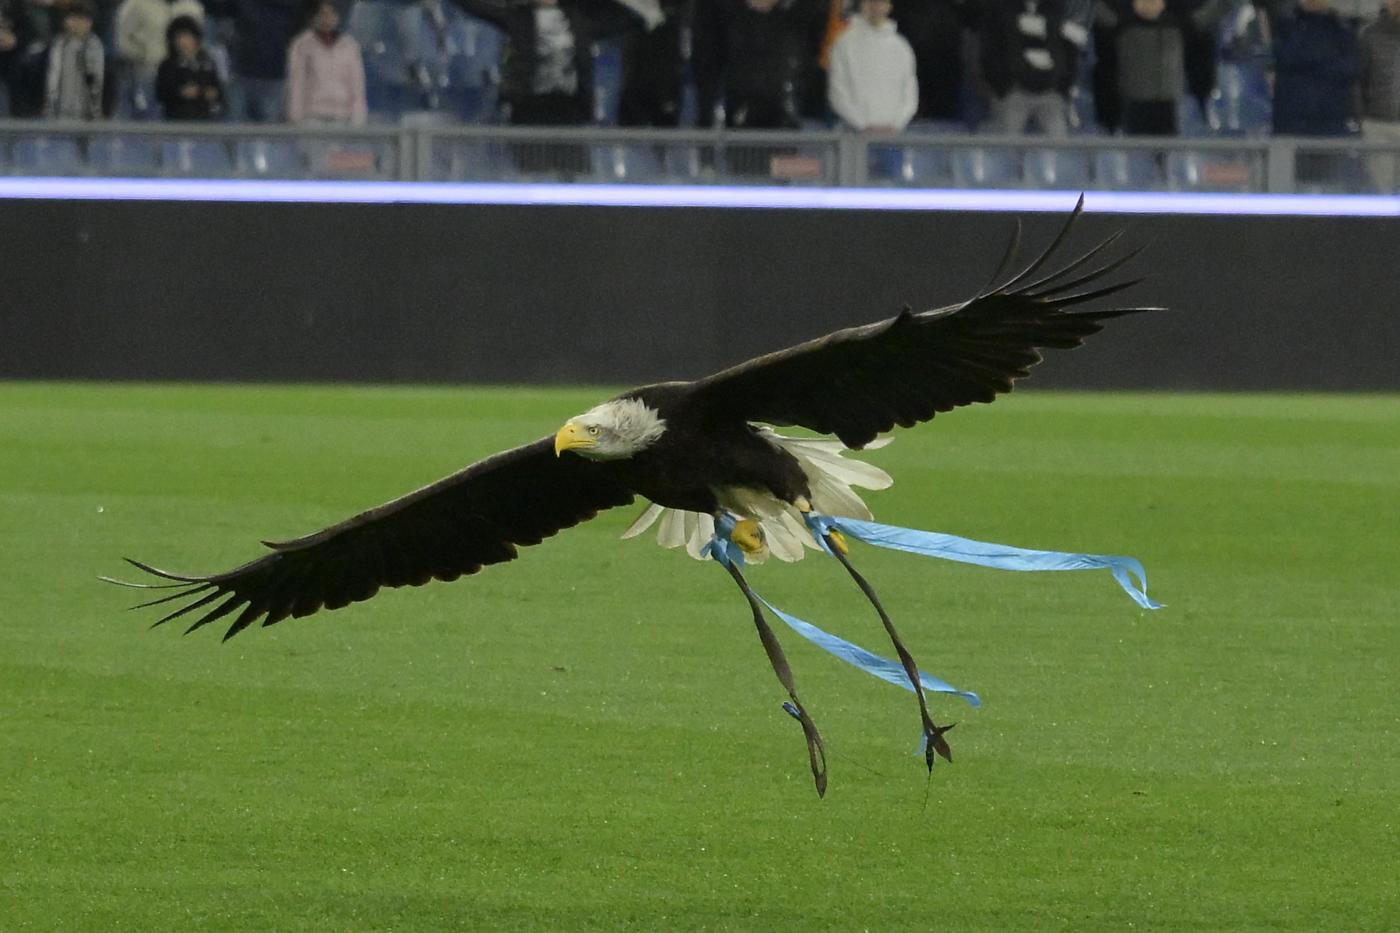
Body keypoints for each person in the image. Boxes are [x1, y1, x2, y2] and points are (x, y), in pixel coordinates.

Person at [1093, 0, 1224, 135]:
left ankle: (1204, 99)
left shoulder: (1180, 23)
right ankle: (1109, 123)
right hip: (1133, 98)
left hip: (1167, 99)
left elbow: (1212, 12)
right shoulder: (1120, 22)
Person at [978, 0, 1086, 135]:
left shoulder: (1057, 8)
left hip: (1051, 92)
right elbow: (989, 49)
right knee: (1007, 147)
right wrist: (1003, 86)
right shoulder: (999, 7)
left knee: (1059, 147)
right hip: (1012, 92)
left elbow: (1071, 49)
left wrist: (1061, 86)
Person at [1270, 0, 1359, 137]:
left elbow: (1349, 69)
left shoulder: (1342, 29)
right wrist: (1324, 60)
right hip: (1290, 125)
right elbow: (1285, 57)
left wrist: (1306, 64)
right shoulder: (1285, 25)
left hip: (1332, 125)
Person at [827, 0, 918, 132]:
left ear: (889, 6)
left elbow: (910, 94)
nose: (876, 7)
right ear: (862, 4)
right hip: (854, 136)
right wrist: (863, 126)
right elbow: (837, 93)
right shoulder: (843, 44)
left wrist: (897, 125)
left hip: (892, 139)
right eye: (871, 2)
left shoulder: (902, 47)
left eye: (881, 2)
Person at [114, 0, 204, 117]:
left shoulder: (192, 6)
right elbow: (122, 40)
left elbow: (199, 40)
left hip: (182, 72)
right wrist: (143, 55)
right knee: (147, 116)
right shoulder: (135, 4)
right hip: (148, 70)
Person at [286, 0, 367, 125]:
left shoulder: (350, 46)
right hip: (312, 117)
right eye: (322, 14)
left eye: (331, 14)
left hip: (343, 117)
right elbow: (297, 83)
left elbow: (357, 86)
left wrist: (358, 120)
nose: (327, 18)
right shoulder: (302, 45)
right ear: (314, 17)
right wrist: (296, 119)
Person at [228, 0, 302, 121]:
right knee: (234, 132)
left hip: (274, 77)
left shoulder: (291, 6)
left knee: (269, 133)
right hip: (242, 74)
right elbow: (219, 8)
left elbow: (301, 21)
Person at [1359, 0, 1400, 190]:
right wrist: (1362, 119)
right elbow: (1359, 81)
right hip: (1378, 125)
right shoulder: (1370, 35)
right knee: (1383, 192)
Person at [44, 0, 104, 119]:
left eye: (80, 19)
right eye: (71, 19)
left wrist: (93, 108)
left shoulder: (93, 45)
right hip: (60, 109)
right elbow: (53, 75)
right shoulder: (59, 44)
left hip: (84, 111)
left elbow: (94, 78)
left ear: (88, 23)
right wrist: (50, 102)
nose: (74, 23)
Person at [155, 12, 221, 117]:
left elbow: (218, 89)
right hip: (177, 119)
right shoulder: (168, 65)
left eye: (187, 37)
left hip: (207, 120)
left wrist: (213, 93)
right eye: (179, 37)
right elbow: (161, 93)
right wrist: (180, 93)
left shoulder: (207, 62)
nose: (183, 42)